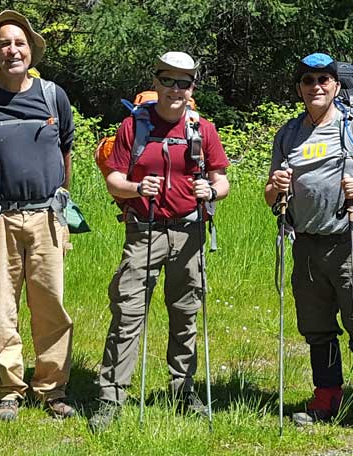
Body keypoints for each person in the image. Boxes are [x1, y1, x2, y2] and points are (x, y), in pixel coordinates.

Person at [88, 51, 230, 432]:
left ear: (192, 88)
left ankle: (182, 390)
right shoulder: (133, 127)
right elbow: (114, 179)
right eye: (168, 81)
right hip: (144, 229)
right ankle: (111, 396)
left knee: (185, 313)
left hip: (189, 232)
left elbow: (223, 181)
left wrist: (210, 192)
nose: (175, 89)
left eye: (183, 83)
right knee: (128, 312)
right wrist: (137, 187)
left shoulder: (204, 129)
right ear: (156, 82)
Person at [0, 10, 76, 420]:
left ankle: (52, 388)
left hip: (46, 218)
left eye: (19, 43)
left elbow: (65, 152)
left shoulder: (53, 95)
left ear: (31, 50)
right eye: (5, 43)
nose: (12, 50)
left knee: (51, 305)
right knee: (2, 307)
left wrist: (64, 203)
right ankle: (8, 390)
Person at [265, 53, 353, 439]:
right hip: (304, 243)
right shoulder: (288, 134)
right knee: (317, 327)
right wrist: (276, 187)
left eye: (324, 79)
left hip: (351, 242)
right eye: (308, 80)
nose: (316, 86)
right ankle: (327, 398)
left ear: (336, 86)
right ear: (299, 88)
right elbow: (271, 197)